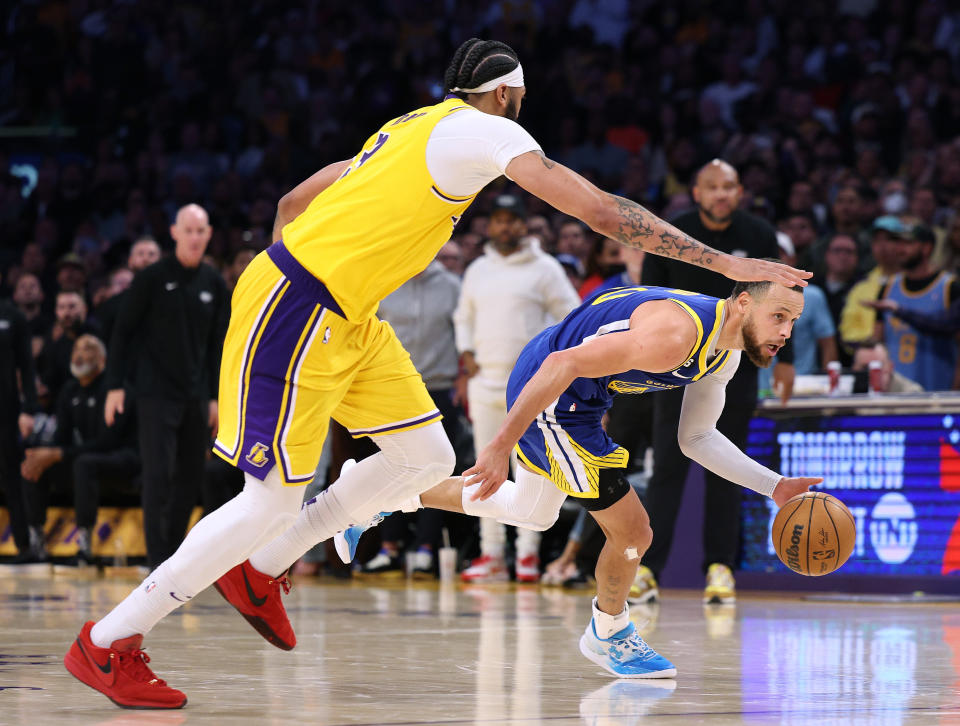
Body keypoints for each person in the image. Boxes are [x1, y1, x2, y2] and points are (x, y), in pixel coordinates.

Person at [64, 38, 808, 709]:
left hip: (346, 314)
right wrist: (727, 263)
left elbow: (293, 202)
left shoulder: (407, 131)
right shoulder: (490, 130)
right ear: (509, 97)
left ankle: (263, 570)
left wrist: (326, 271)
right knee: (266, 501)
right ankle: (109, 643)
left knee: (426, 457)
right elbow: (604, 214)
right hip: (302, 306)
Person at [343, 278, 819, 677]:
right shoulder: (677, 334)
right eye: (778, 316)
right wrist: (499, 446)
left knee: (531, 511)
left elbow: (696, 438)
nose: (786, 331)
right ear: (742, 303)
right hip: (554, 392)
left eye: (793, 320)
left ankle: (381, 494)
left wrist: (773, 485)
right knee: (634, 532)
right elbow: (562, 364)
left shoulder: (724, 354)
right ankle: (609, 632)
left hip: (576, 396)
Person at [635, 159, 796, 607]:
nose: (722, 194)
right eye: (713, 186)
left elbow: (781, 301)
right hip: (672, 365)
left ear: (740, 191)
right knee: (667, 467)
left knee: (727, 466)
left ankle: (720, 567)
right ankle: (648, 570)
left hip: (736, 366)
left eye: (729, 186)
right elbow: (648, 297)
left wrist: (787, 360)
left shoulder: (760, 235)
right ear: (697, 191)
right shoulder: (674, 233)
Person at [455, 193, 580, 583]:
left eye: (513, 220)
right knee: (483, 467)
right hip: (485, 382)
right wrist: (466, 351)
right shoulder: (477, 269)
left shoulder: (545, 269)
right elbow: (463, 317)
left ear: (525, 224)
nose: (505, 227)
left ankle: (527, 556)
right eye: (498, 220)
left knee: (530, 467)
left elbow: (572, 317)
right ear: (490, 226)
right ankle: (492, 554)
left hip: (531, 386)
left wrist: (550, 363)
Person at [103, 204, 228, 570]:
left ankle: (172, 558)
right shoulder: (152, 279)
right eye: (187, 230)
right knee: (158, 474)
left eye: (200, 231)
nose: (194, 237)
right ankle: (156, 558)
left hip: (196, 395)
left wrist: (216, 398)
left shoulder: (213, 282)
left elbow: (217, 347)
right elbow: (123, 332)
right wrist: (115, 386)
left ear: (208, 235)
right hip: (154, 392)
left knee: (190, 476)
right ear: (174, 232)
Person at [20, 335, 140, 566]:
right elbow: (61, 438)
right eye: (76, 348)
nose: (79, 354)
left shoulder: (115, 388)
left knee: (83, 463)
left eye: (88, 348)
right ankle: (36, 543)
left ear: (102, 358)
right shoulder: (69, 390)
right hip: (84, 461)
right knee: (33, 461)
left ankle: (85, 545)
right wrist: (47, 454)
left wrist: (57, 454)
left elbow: (108, 442)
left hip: (124, 459)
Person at [874, 224, 960, 390]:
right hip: (893, 394)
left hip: (937, 391)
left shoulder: (950, 287)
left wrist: (956, 391)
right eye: (898, 243)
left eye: (907, 243)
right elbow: (878, 341)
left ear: (926, 248)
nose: (900, 249)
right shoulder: (888, 287)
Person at [0, 294, 39, 563]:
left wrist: (29, 409)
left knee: (11, 478)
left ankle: (24, 545)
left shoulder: (12, 316)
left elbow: (26, 365)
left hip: (6, 409)